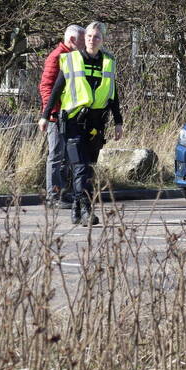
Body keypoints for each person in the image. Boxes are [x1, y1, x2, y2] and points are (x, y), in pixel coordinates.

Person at [37, 21, 123, 225]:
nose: (92, 40)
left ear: (103, 40)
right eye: (89, 36)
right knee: (81, 166)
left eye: (97, 37)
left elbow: (113, 94)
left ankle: (76, 206)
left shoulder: (108, 62)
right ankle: (86, 209)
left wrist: (118, 121)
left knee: (87, 167)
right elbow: (56, 89)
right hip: (73, 121)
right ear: (84, 39)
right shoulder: (71, 60)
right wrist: (45, 115)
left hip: (96, 123)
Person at [39, 24, 85, 209]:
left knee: (67, 154)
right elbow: (46, 86)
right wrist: (50, 112)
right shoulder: (57, 56)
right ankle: (53, 196)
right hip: (56, 115)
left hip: (69, 114)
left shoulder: (73, 56)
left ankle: (63, 192)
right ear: (72, 40)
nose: (84, 45)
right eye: (82, 41)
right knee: (56, 155)